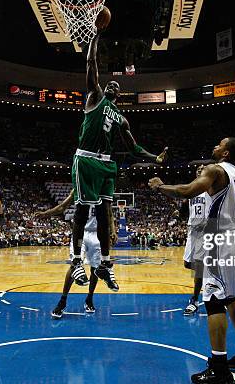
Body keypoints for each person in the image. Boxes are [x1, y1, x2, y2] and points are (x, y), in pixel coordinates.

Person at [149, 137, 235, 384]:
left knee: (213, 301)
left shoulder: (215, 170)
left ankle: (219, 368)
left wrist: (159, 186)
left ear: (226, 153)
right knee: (232, 297)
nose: (215, 147)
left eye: (220, 145)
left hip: (223, 241)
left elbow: (187, 191)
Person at [69, 32, 167, 292]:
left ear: (120, 95)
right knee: (82, 209)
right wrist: (95, 38)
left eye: (116, 86)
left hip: (106, 164)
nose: (112, 85)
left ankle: (105, 263)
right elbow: (91, 65)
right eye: (109, 83)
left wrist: (153, 158)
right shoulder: (94, 97)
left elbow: (132, 147)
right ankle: (76, 259)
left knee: (104, 213)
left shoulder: (122, 118)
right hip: (86, 159)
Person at [35, 189, 117, 319]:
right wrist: (47, 213)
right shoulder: (78, 187)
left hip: (98, 234)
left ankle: (89, 299)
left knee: (95, 269)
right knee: (75, 265)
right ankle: (62, 301)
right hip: (81, 232)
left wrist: (112, 230)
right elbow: (63, 206)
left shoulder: (102, 186)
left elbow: (109, 213)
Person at [183, 165, 209, 316]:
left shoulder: (210, 188)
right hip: (192, 230)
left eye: (203, 168)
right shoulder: (192, 189)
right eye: (198, 168)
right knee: (188, 263)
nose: (200, 169)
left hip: (204, 230)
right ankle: (209, 276)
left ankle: (195, 300)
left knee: (199, 266)